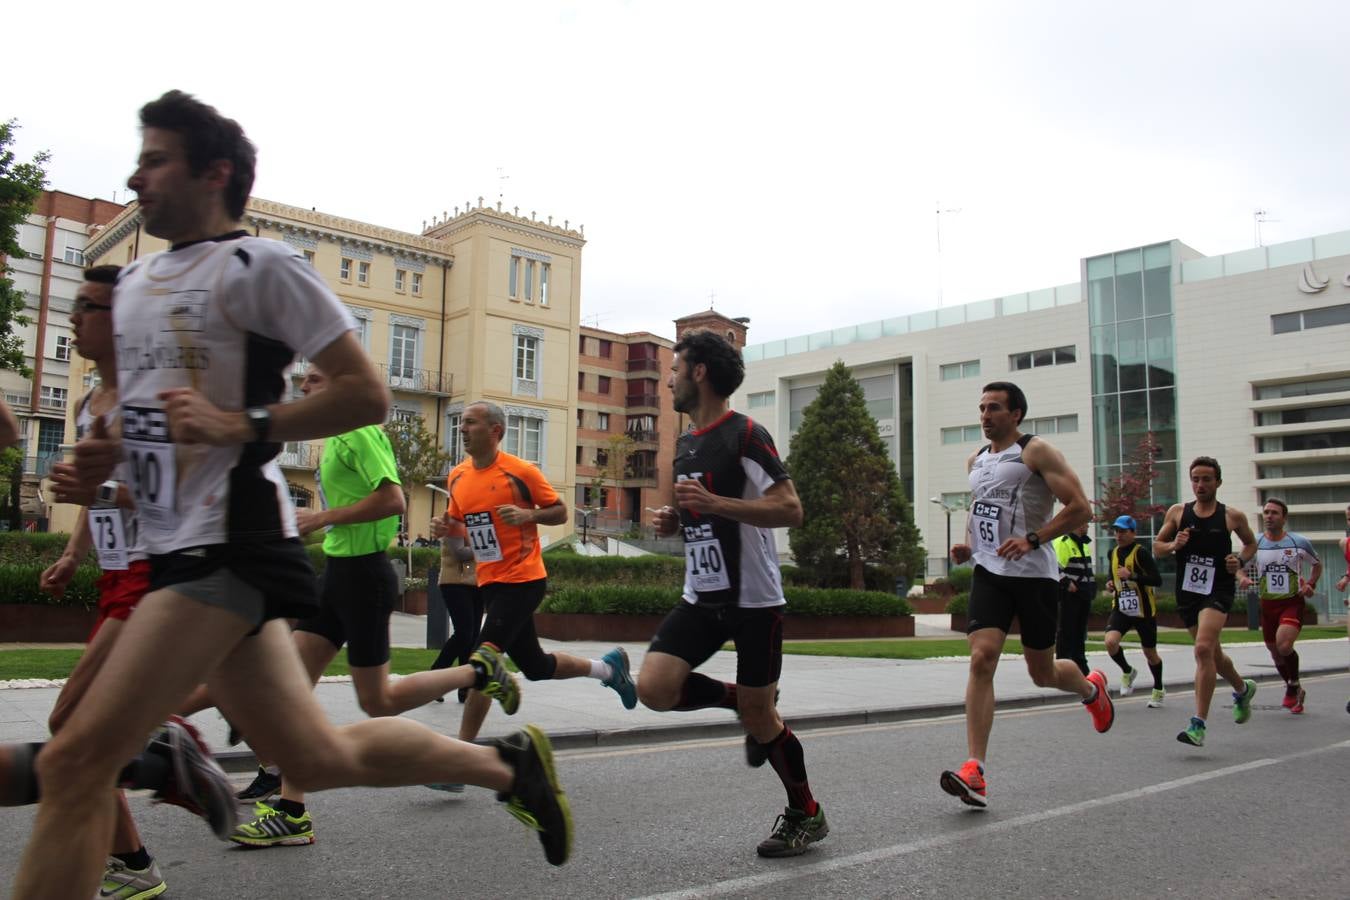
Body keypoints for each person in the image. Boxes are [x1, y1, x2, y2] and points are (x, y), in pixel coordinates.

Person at [14, 90, 572, 898]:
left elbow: (366, 394)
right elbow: (140, 420)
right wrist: (98, 463)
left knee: (76, 758)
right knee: (315, 757)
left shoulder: (262, 267)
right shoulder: (133, 287)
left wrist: (236, 422)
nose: (137, 177)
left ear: (215, 173)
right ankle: (504, 765)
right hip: (181, 551)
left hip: (230, 545)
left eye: (155, 159)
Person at [641, 330, 827, 859]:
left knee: (763, 717)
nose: (669, 377)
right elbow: (704, 508)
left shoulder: (746, 434)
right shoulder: (686, 444)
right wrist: (678, 518)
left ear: (699, 372)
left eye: (675, 368)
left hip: (754, 601)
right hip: (701, 594)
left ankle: (806, 813)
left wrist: (715, 503)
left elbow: (789, 508)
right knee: (653, 689)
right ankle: (742, 703)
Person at [30, 265, 170, 898]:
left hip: (151, 575)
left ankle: (169, 769)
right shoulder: (90, 402)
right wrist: (71, 554)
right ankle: (134, 860)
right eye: (76, 306)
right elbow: (97, 497)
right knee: (83, 729)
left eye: (89, 307)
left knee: (70, 723)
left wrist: (106, 488)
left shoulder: (149, 398)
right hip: (116, 574)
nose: (74, 318)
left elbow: (171, 496)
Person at [940, 382, 1114, 810]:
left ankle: (1091, 689)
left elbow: (1080, 508)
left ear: (1016, 413)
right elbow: (980, 509)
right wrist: (968, 546)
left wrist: (1033, 539)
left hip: (1034, 576)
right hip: (990, 573)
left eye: (994, 408)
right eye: (981, 408)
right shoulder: (976, 460)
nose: (985, 415)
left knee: (1043, 674)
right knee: (982, 658)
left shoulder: (1037, 452)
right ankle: (974, 769)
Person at [434, 400, 636, 751]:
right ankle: (607, 669)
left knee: (485, 659)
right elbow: (457, 521)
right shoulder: (458, 475)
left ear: (495, 431)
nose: (462, 429)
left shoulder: (520, 471)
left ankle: (460, 756)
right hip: (490, 582)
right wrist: (444, 526)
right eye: (461, 424)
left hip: (524, 579)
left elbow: (559, 511)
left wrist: (527, 516)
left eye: (470, 423)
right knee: (535, 666)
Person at [1153, 456, 1259, 747]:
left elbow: (1251, 544)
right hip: (1188, 592)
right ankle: (1241, 688)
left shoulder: (1231, 516)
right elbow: (1158, 547)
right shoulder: (1178, 513)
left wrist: (1238, 559)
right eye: (1196, 479)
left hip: (1218, 589)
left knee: (1201, 649)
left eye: (1206, 479)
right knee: (1213, 656)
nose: (1200, 485)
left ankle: (1198, 724)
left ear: (1218, 482)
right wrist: (1175, 544)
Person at [1239, 498, 1321, 714]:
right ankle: (1295, 688)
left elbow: (1317, 565)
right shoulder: (1254, 543)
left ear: (1284, 518)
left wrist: (1311, 584)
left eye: (1274, 513)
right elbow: (1238, 565)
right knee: (1275, 653)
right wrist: (1242, 577)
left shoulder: (1299, 542)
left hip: (1291, 603)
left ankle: (1292, 686)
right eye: (1266, 512)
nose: (1269, 516)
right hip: (1267, 606)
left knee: (1284, 645)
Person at [1101, 515, 1165, 706]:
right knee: (1110, 642)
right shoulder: (1112, 552)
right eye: (1116, 531)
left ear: (1133, 533)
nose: (1118, 535)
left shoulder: (1141, 553)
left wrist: (1133, 576)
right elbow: (1112, 576)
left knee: (1150, 653)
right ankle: (1128, 671)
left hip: (1143, 610)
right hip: (1121, 607)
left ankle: (1158, 689)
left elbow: (1157, 580)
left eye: (1122, 531)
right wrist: (1111, 583)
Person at [429, 515, 482, 706]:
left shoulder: (476, 520)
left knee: (473, 636)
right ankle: (436, 677)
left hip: (476, 583)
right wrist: (487, 545)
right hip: (454, 583)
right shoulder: (451, 521)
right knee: (464, 634)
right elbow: (460, 553)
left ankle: (465, 687)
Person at [1052, 525, 1094, 676]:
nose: (1088, 526)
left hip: (1083, 596)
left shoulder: (1083, 543)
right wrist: (1067, 583)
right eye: (1085, 522)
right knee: (1067, 631)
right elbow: (1054, 567)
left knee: (1079, 633)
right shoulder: (1063, 542)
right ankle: (1063, 665)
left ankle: (1079, 663)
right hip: (1070, 597)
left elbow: (1087, 570)